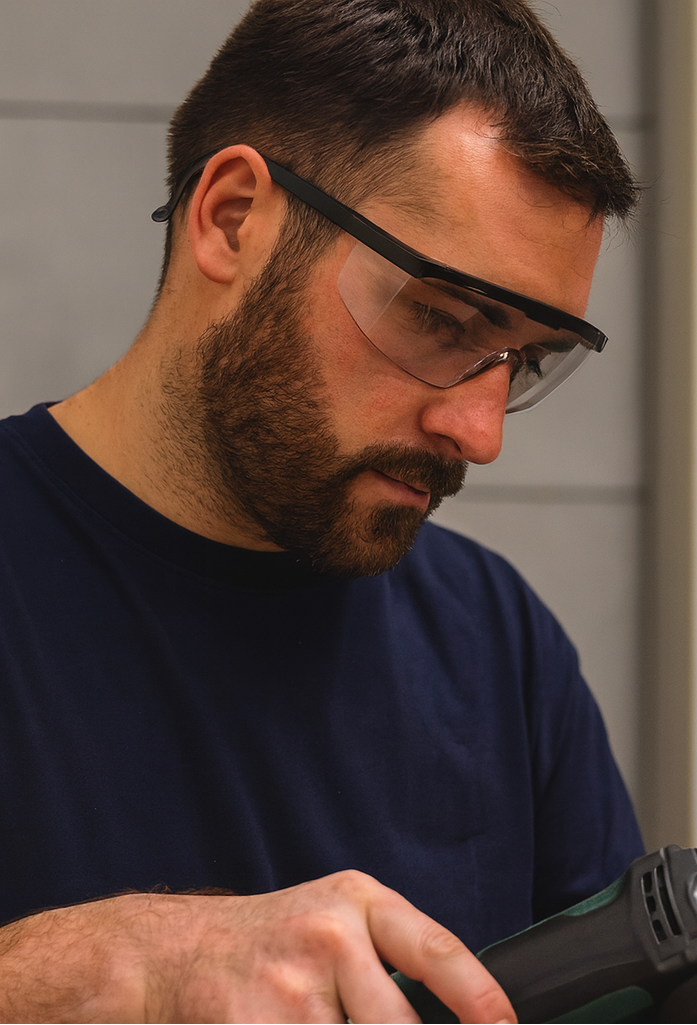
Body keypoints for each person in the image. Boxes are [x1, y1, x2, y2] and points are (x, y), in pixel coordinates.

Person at [0, 0, 644, 1021]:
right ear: (232, 218)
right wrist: (77, 968)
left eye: (521, 359)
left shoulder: (496, 643)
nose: (480, 433)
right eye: (440, 319)